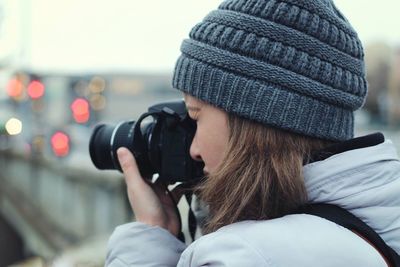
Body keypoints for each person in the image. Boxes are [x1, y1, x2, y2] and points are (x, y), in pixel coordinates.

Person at [105, 0, 400, 266]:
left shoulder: (242, 255)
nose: (193, 148)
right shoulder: (379, 226)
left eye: (196, 116)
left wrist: (149, 240)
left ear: (252, 121)